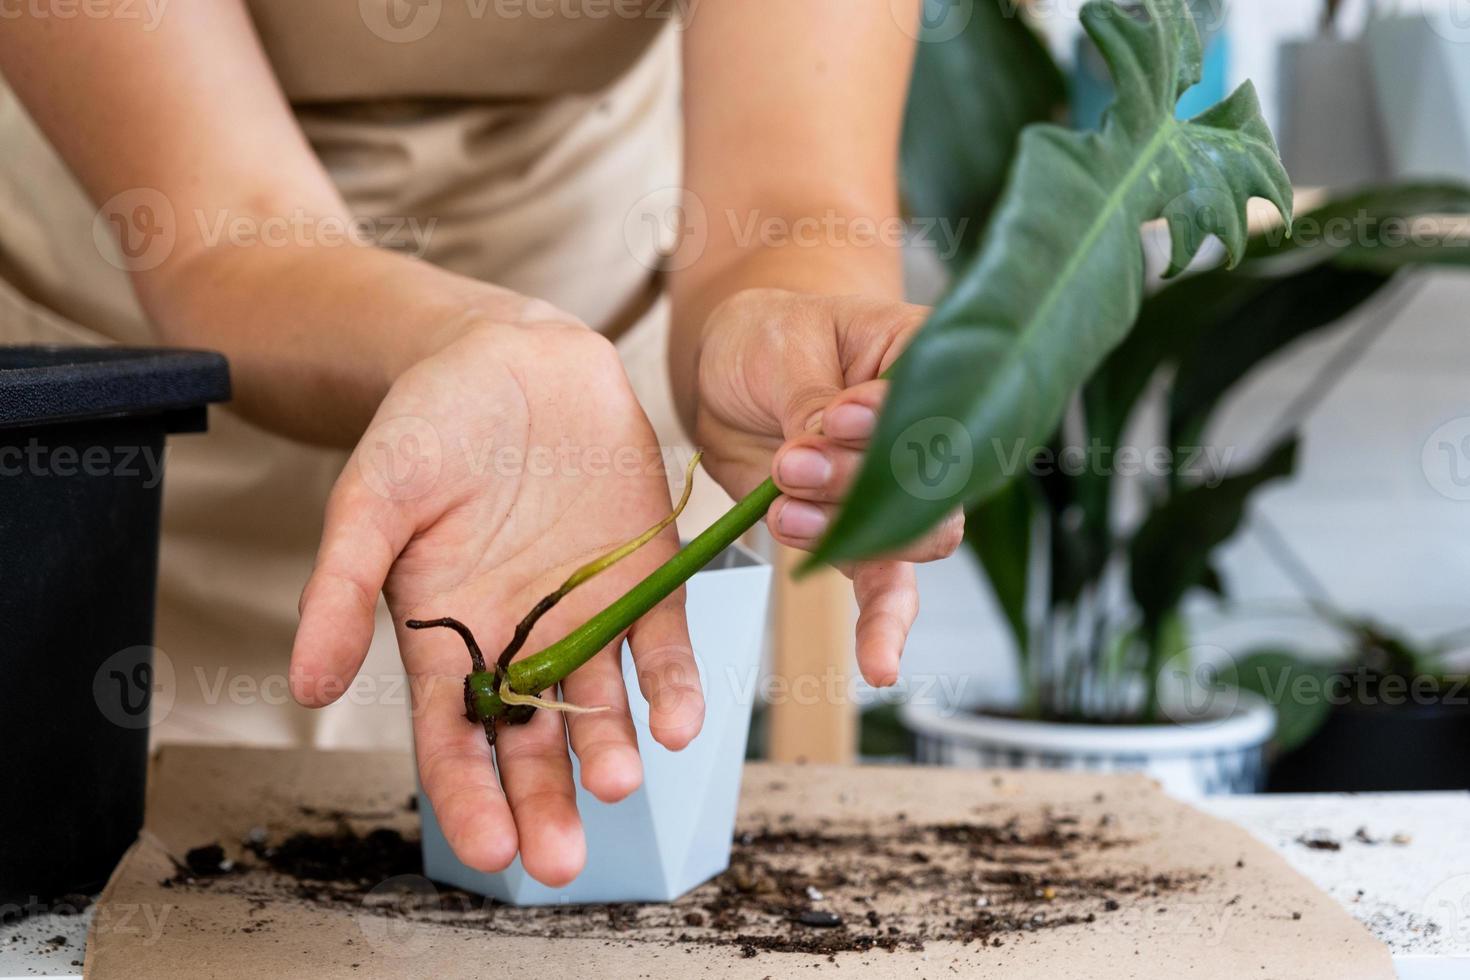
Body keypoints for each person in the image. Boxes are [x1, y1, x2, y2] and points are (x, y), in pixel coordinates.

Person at [0, 0, 962, 886]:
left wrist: (790, 331)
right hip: (139, 390)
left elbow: (790, 203)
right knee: (130, 876)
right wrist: (480, 349)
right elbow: (231, 230)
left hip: (577, 438)